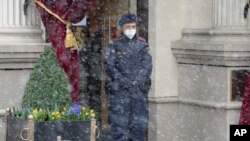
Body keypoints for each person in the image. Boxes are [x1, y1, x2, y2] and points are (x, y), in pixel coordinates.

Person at [105, 12, 152, 141]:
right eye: (128, 27)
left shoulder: (142, 45)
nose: (131, 29)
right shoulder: (114, 45)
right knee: (119, 129)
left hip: (138, 93)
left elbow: (147, 66)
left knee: (138, 128)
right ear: (122, 28)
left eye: (133, 26)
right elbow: (109, 66)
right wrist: (124, 81)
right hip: (120, 93)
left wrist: (137, 82)